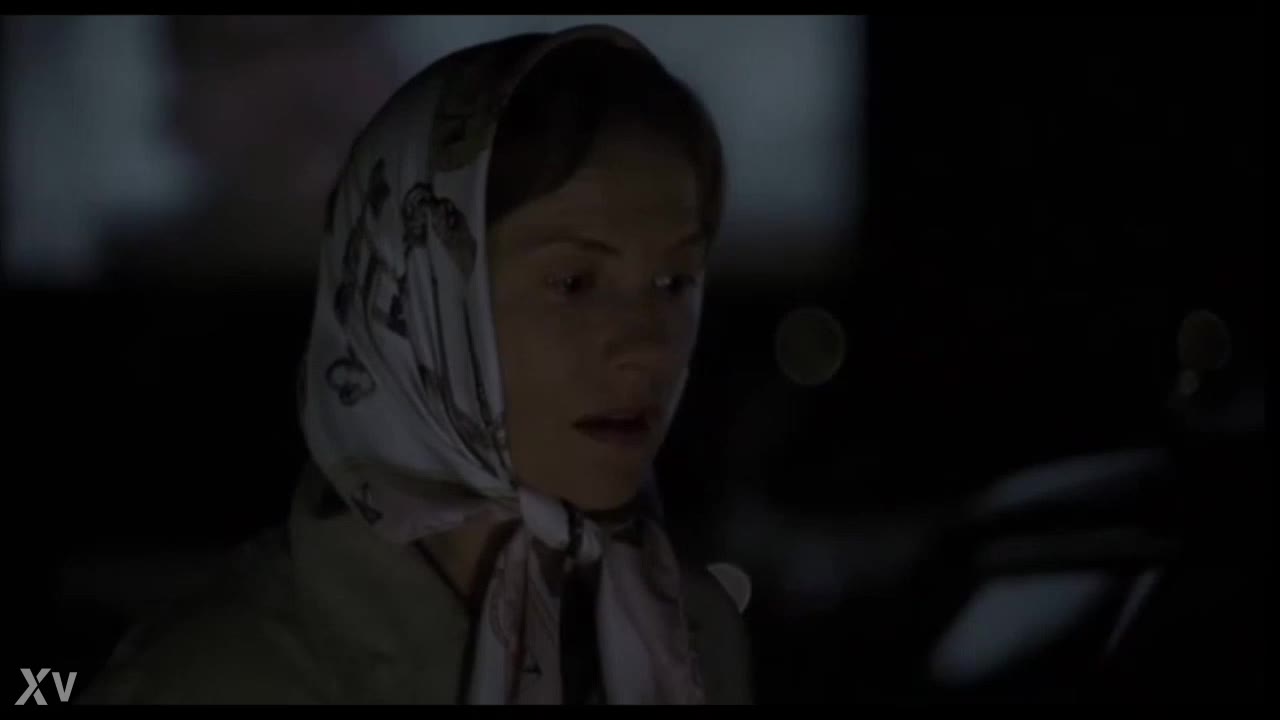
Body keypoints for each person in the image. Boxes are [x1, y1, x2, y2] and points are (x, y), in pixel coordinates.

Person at [81, 25, 752, 705]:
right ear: (416, 300)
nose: (649, 345)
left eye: (674, 282)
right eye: (574, 282)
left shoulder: (691, 638)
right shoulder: (214, 680)